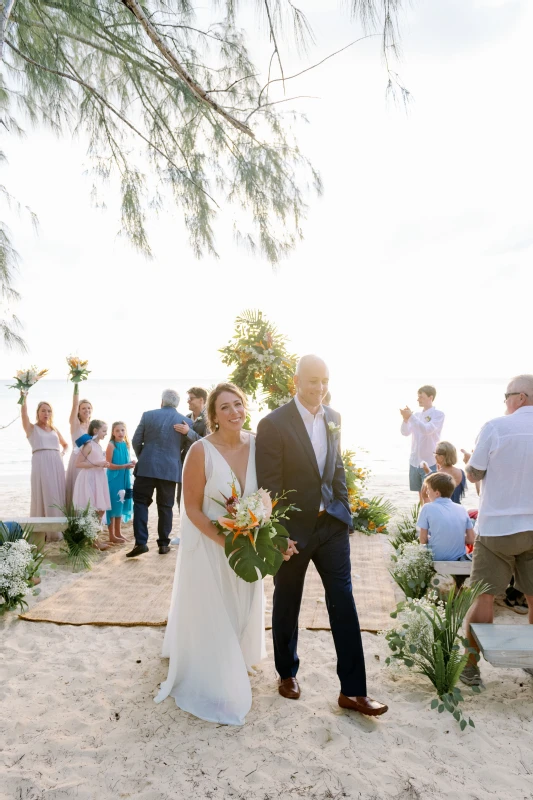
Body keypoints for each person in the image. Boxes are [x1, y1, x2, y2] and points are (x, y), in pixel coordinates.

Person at [256, 355, 388, 717]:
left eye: (325, 380)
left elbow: (337, 466)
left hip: (331, 525)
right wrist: (278, 534)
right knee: (288, 601)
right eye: (313, 380)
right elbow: (269, 484)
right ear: (296, 380)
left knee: (343, 602)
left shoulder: (334, 418)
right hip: (293, 531)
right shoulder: (273, 423)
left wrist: (343, 510)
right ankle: (287, 673)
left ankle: (354, 691)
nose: (320, 387)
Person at [155, 383, 289, 724]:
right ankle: (215, 669)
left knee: (242, 605)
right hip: (212, 546)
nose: (234, 412)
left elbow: (267, 495)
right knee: (215, 610)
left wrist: (262, 532)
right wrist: (227, 542)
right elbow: (192, 510)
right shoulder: (200, 452)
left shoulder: (258, 445)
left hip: (249, 544)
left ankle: (236, 657)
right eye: (225, 407)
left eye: (239, 404)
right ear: (212, 415)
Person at [461, 375, 533, 687]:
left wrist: (471, 466)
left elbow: (475, 472)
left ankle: (471, 666)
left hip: (497, 528)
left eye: (506, 396)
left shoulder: (496, 427)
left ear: (521, 396)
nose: (504, 402)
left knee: (484, 598)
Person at [127, 389, 192, 558]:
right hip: (170, 469)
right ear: (177, 404)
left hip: (147, 467)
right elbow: (195, 443)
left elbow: (135, 440)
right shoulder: (185, 422)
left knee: (140, 503)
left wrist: (144, 455)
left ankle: (141, 543)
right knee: (165, 507)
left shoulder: (148, 415)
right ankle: (163, 544)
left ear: (161, 401)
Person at [21, 398, 67, 538]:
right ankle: (43, 531)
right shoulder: (31, 428)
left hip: (56, 462)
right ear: (38, 413)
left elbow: (65, 444)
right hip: (41, 463)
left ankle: (57, 529)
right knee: (44, 493)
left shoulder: (54, 429)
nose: (46, 413)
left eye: (49, 411)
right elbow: (24, 414)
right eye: (43, 411)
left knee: (56, 493)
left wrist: (62, 453)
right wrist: (24, 397)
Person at [400, 385, 445, 503]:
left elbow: (427, 430)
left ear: (430, 397)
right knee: (421, 495)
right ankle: (423, 519)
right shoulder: (417, 415)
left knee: (431, 495)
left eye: (421, 397)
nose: (418, 399)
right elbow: (405, 432)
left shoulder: (438, 414)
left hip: (430, 461)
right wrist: (405, 419)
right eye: (418, 397)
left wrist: (411, 417)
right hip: (414, 461)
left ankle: (431, 519)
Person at [417, 472, 474, 561]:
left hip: (436, 557)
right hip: (458, 559)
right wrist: (454, 538)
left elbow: (423, 540)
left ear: (437, 493)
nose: (427, 492)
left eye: (428, 489)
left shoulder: (427, 507)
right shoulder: (461, 508)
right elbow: (471, 539)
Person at [173, 386, 208, 512]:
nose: (188, 401)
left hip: (201, 464)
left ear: (201, 400)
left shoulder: (209, 419)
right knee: (180, 497)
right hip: (184, 462)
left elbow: (208, 443)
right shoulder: (186, 418)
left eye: (191, 398)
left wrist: (189, 432)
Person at [73, 419, 111, 520]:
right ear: (95, 431)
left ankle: (95, 530)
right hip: (90, 478)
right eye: (104, 431)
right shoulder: (88, 445)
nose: (106, 433)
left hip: (99, 477)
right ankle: (91, 530)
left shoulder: (98, 445)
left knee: (101, 508)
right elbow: (78, 463)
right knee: (91, 507)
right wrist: (97, 463)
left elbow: (95, 459)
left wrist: (103, 464)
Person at [106, 421, 136, 544]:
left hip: (125, 479)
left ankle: (118, 533)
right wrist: (124, 466)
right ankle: (111, 535)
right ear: (113, 432)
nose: (120, 433)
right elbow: (108, 465)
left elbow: (126, 461)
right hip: (114, 479)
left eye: (122, 430)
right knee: (113, 505)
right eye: (117, 430)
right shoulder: (111, 445)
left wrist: (131, 463)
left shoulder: (125, 444)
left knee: (121, 504)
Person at [65, 386, 93, 505]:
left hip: (91, 461)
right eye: (83, 408)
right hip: (77, 459)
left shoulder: (93, 426)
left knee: (90, 490)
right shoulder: (75, 424)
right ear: (78, 411)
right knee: (78, 489)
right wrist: (76, 384)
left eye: (88, 408)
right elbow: (74, 405)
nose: (86, 410)